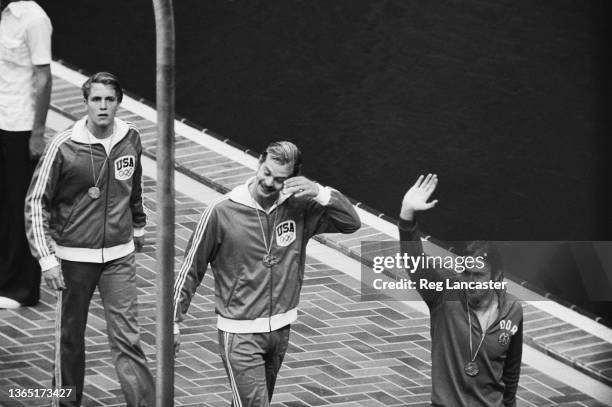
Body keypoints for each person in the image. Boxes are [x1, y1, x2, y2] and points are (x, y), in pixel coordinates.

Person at [173, 141, 361, 406]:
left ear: (292, 179)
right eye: (267, 172)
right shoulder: (221, 212)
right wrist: (173, 321)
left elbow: (351, 223)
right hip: (239, 332)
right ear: (259, 163)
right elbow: (190, 269)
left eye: (279, 179)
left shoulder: (298, 208)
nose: (269, 182)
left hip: (280, 330)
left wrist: (320, 192)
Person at [24, 72, 154, 407]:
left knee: (129, 339)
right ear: (85, 103)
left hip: (119, 256)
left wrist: (138, 224)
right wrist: (47, 258)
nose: (103, 106)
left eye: (109, 99)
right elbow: (36, 201)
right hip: (72, 259)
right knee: (69, 340)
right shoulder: (63, 145)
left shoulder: (131, 138)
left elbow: (134, 185)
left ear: (118, 103)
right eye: (96, 99)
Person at [398, 173, 523, 407]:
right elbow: (414, 260)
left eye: (478, 275)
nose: (470, 282)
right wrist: (407, 216)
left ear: (497, 277)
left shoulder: (512, 309)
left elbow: (510, 374)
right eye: (465, 274)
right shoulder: (444, 297)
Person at [0, 0, 52, 308]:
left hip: (20, 126)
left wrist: (37, 132)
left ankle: (21, 288)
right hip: (0, 119)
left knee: (19, 205)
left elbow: (43, 78)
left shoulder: (34, 20)